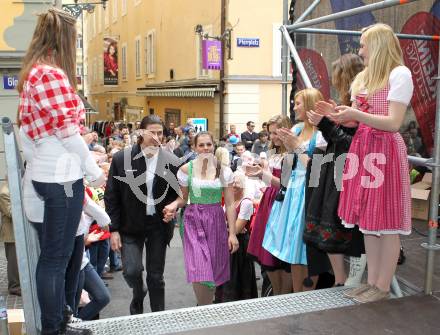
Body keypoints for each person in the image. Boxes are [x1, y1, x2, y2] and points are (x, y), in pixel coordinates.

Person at [17, 8, 104, 335]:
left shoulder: (32, 74)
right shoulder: (51, 74)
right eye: (75, 36)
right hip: (61, 178)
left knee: (57, 257)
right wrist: (94, 170)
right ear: (63, 38)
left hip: (46, 175)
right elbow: (68, 132)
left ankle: (60, 320)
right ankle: (55, 327)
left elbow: (30, 134)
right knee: (56, 259)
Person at [330, 23, 414, 303]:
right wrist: (340, 115)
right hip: (364, 148)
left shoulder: (400, 75)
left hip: (385, 150)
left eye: (364, 44)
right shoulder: (365, 78)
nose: (360, 50)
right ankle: (373, 283)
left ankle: (382, 285)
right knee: (368, 221)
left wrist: (356, 114)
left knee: (386, 222)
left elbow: (393, 122)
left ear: (378, 45)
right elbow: (359, 120)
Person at [105, 115, 181, 314]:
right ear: (141, 132)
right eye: (152, 132)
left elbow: (178, 195)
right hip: (129, 225)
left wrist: (173, 208)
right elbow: (111, 196)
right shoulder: (122, 159)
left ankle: (159, 319)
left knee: (156, 276)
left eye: (160, 133)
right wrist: (113, 229)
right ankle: (138, 294)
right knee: (131, 271)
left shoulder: (171, 161)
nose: (156, 137)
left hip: (158, 225)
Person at [304, 53, 366, 287]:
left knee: (352, 225)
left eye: (337, 75)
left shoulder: (361, 103)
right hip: (334, 166)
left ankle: (351, 276)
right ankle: (341, 279)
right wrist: (327, 121)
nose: (334, 80)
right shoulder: (347, 103)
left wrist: (326, 123)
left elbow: (350, 143)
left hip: (349, 169)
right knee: (328, 221)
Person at [262, 88, 327, 293]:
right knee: (293, 249)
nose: (294, 106)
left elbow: (317, 171)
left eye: (298, 103)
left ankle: (306, 294)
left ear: (309, 104)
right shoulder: (298, 128)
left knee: (306, 249)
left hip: (310, 193)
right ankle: (297, 294)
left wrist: (296, 147)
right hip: (293, 192)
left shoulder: (323, 134)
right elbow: (289, 166)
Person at [164, 132, 239, 306]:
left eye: (208, 144)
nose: (205, 148)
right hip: (193, 220)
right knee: (199, 266)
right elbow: (183, 198)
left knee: (213, 266)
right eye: (201, 145)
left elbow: (229, 204)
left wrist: (232, 233)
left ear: (214, 146)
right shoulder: (186, 169)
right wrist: (173, 206)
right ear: (194, 147)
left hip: (216, 220)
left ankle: (206, 303)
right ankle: (204, 307)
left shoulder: (224, 170)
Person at [246, 115, 293, 296]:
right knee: (268, 252)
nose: (273, 137)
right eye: (270, 133)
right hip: (270, 200)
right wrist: (260, 171)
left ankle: (284, 295)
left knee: (282, 251)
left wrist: (261, 174)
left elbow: (285, 183)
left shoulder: (291, 154)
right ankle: (277, 293)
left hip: (283, 201)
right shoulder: (274, 153)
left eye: (276, 132)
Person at [220, 171, 258, 302]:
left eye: (237, 182)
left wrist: (225, 227)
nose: (234, 185)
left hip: (240, 246)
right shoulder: (229, 202)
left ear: (243, 186)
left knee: (237, 275)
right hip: (227, 243)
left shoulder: (246, 203)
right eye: (233, 182)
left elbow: (236, 229)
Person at [0, 181, 21, 296]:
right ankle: (14, 287)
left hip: (16, 231)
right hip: (10, 233)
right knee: (13, 262)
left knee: (17, 260)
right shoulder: (4, 192)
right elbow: (11, 213)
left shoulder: (13, 189)